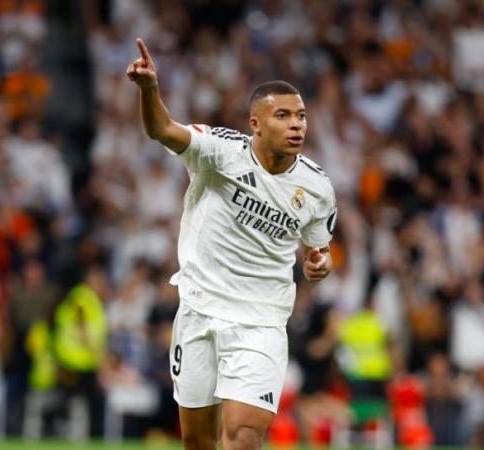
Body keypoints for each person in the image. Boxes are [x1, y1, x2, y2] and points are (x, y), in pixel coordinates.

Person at [126, 38, 337, 450]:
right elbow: (162, 130)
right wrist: (150, 89)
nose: (297, 125)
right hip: (199, 309)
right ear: (255, 124)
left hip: (260, 322)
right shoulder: (221, 153)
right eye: (283, 115)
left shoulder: (317, 188)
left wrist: (320, 262)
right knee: (199, 442)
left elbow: (319, 248)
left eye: (301, 116)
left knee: (242, 436)